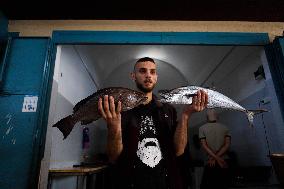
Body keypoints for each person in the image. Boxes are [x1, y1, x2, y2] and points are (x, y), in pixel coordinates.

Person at [98, 57, 208, 189]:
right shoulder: (122, 110)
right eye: (143, 71)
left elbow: (178, 151)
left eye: (152, 72)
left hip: (165, 183)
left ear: (156, 77)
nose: (148, 75)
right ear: (133, 76)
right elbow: (114, 157)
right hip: (131, 182)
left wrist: (186, 115)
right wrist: (113, 127)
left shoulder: (168, 110)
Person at [199, 109, 231, 189]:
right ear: (217, 116)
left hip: (210, 162)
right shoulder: (225, 128)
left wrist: (214, 158)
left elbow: (204, 146)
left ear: (206, 117)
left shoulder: (202, 128)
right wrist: (219, 159)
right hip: (223, 162)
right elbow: (227, 145)